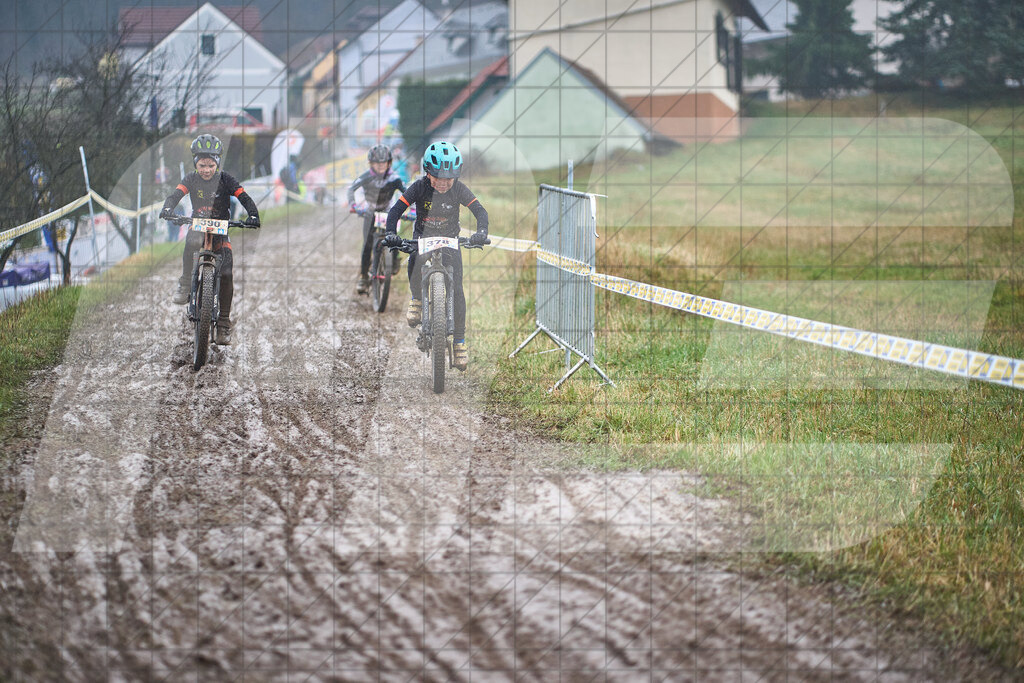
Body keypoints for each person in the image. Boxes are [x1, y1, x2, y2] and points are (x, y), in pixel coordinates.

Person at [383, 141, 487, 370]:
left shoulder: (459, 189)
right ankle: (417, 300)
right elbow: (396, 210)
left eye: (449, 179)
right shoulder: (419, 187)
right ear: (427, 173)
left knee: (458, 290)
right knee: (414, 259)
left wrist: (481, 232)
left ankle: (459, 341)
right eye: (438, 178)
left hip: (451, 242)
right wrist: (390, 232)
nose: (443, 183)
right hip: (423, 238)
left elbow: (479, 210)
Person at [160, 134, 260, 345]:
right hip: (198, 226)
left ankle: (223, 323)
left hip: (221, 231)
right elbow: (176, 194)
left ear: (217, 163)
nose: (206, 169)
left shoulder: (226, 179)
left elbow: (244, 196)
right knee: (191, 241)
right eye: (202, 165)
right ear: (196, 164)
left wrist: (253, 214)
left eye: (210, 165)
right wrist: (168, 207)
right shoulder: (191, 179)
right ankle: (186, 282)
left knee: (227, 271)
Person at [347, 144, 406, 294]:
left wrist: (411, 208)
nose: (380, 166)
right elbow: (351, 189)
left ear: (389, 163)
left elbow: (407, 193)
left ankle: (395, 258)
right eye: (377, 163)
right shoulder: (366, 176)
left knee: (393, 236)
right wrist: (353, 204)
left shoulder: (395, 178)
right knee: (367, 244)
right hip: (370, 211)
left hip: (388, 210)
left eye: (383, 163)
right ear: (371, 163)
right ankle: (363, 277)